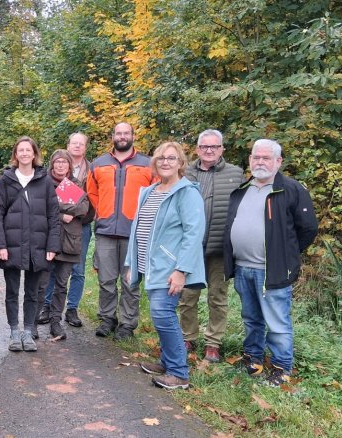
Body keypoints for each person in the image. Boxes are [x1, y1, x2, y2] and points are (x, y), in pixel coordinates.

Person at [224, 139, 318, 386]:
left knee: (277, 322)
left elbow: (308, 229)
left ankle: (280, 368)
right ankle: (253, 359)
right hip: (243, 267)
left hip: (272, 270)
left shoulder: (291, 189)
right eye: (256, 157)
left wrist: (285, 254)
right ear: (250, 160)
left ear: (278, 161)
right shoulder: (244, 189)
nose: (260, 162)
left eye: (266, 158)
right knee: (251, 318)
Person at [126, 142, 206, 390]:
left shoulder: (187, 193)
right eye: (160, 158)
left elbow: (194, 234)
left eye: (171, 158)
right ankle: (168, 361)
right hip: (150, 265)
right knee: (161, 315)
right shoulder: (149, 191)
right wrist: (132, 262)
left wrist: (181, 270)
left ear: (181, 163)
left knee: (163, 315)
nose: (165, 162)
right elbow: (137, 230)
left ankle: (179, 373)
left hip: (170, 267)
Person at [0, 136, 60, 352]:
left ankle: (28, 331)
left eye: (28, 150)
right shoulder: (5, 181)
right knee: (12, 291)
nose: (25, 154)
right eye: (21, 150)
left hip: (37, 246)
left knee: (33, 292)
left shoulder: (45, 181)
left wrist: (51, 246)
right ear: (15, 154)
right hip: (11, 246)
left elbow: (53, 217)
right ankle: (14, 332)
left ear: (34, 154)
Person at [178, 129, 244, 362]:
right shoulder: (184, 172)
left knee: (217, 297)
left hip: (220, 248)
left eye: (214, 147)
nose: (209, 150)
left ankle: (213, 344)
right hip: (190, 248)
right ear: (197, 149)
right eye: (204, 146)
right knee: (187, 296)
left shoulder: (236, 174)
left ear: (222, 149)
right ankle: (187, 337)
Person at [87, 122, 154, 341]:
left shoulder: (147, 164)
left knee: (130, 281)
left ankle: (127, 324)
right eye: (118, 133)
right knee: (106, 281)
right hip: (106, 231)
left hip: (134, 233)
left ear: (133, 136)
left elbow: (154, 195)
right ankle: (107, 319)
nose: (122, 136)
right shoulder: (98, 164)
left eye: (126, 133)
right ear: (113, 136)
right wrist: (104, 213)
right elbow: (92, 193)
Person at [35, 149, 93, 341]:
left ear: (69, 165)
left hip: (69, 241)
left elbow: (84, 208)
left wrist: (59, 208)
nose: (61, 165)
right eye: (57, 162)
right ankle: (33, 321)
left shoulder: (76, 185)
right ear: (52, 164)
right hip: (46, 242)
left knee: (61, 284)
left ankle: (55, 321)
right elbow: (41, 209)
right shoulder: (43, 183)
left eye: (64, 162)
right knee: (41, 284)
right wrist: (61, 214)